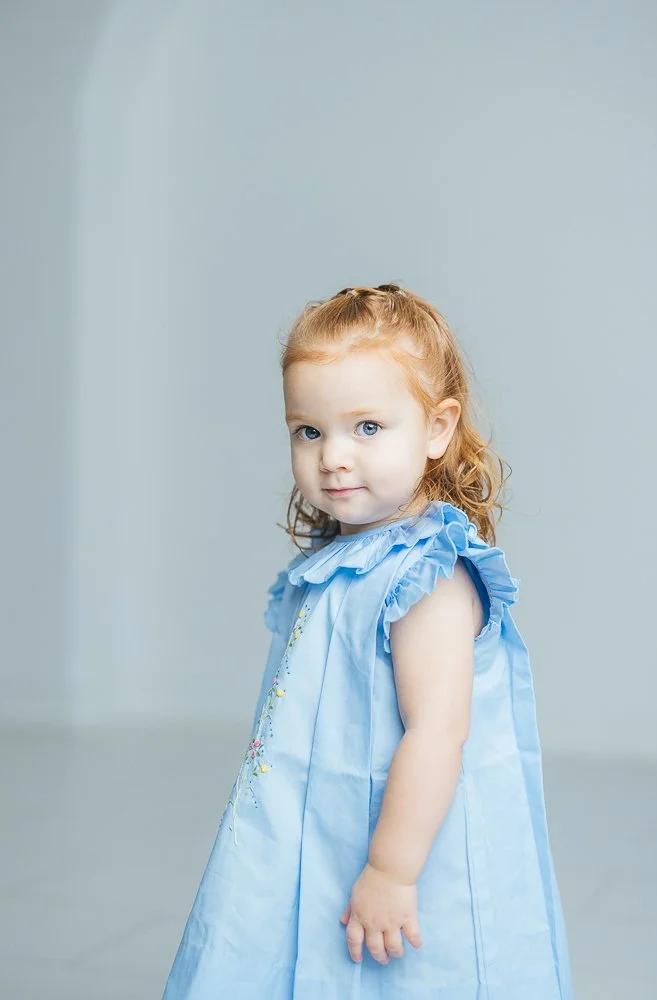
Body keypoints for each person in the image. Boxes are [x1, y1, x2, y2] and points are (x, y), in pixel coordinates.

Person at [161, 283, 575, 999]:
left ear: (437, 429)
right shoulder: (336, 567)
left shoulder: (428, 575)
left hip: (404, 844)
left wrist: (391, 869)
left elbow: (436, 733)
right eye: (308, 431)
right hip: (313, 818)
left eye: (367, 428)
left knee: (399, 975)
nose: (333, 459)